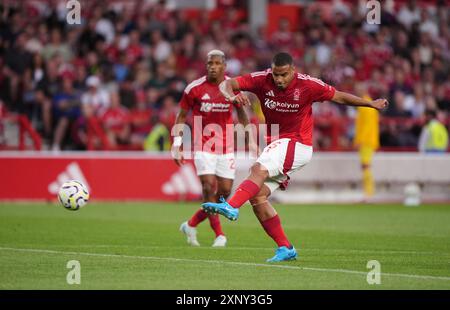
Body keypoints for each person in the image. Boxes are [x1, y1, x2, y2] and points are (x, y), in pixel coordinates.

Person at [202, 52, 388, 262]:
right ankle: (285, 247)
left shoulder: (308, 85)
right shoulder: (262, 79)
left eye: (283, 75)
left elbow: (339, 96)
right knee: (257, 196)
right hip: (278, 144)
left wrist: (370, 104)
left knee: (257, 170)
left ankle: (231, 206)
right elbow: (226, 85)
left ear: (293, 70)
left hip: (298, 143)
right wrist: (232, 96)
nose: (279, 79)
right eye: (276, 75)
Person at [172, 50, 251, 247]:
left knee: (224, 194)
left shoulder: (232, 87)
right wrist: (176, 145)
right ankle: (220, 234)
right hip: (203, 145)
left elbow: (242, 114)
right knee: (208, 187)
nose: (212, 67)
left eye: (217, 63)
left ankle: (190, 224)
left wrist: (249, 139)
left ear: (224, 66)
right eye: (209, 63)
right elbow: (181, 116)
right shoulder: (195, 88)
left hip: (226, 147)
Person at [353, 83, 379, 202]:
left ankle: (369, 194)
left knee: (366, 166)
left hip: (367, 141)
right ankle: (368, 193)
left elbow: (367, 126)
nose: (356, 92)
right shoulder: (364, 104)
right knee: (365, 166)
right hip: (367, 140)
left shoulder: (366, 105)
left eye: (358, 89)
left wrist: (361, 141)